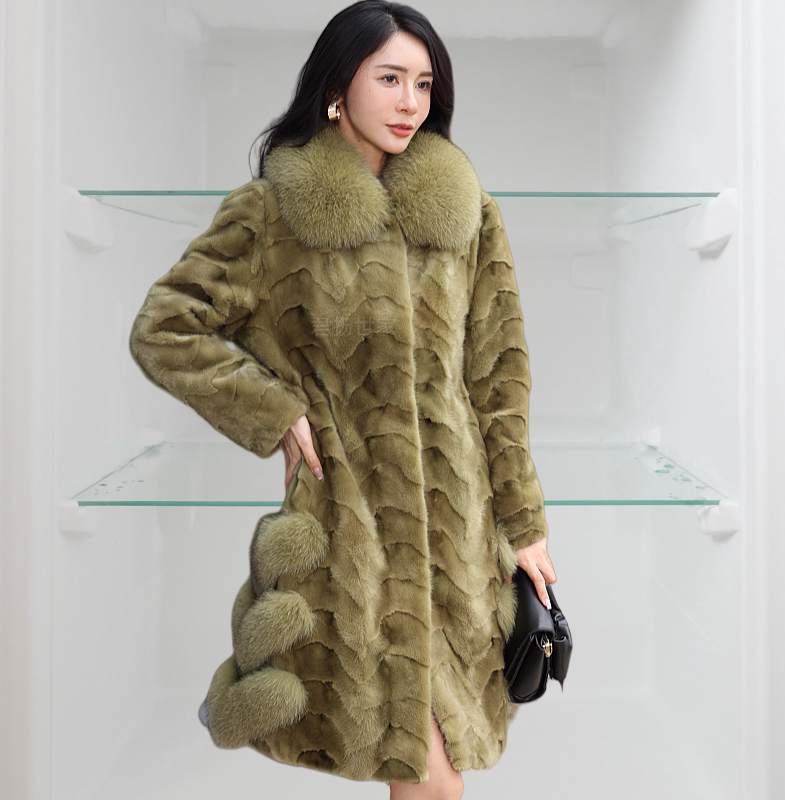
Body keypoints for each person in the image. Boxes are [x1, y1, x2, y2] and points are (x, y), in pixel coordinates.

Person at [129, 1, 556, 797]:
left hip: (457, 527)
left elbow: (500, 379)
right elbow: (166, 327)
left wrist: (523, 525)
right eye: (389, 78)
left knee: (431, 762)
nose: (410, 103)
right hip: (346, 527)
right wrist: (274, 410)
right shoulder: (271, 214)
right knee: (424, 769)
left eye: (424, 84)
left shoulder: (467, 213)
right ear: (337, 87)